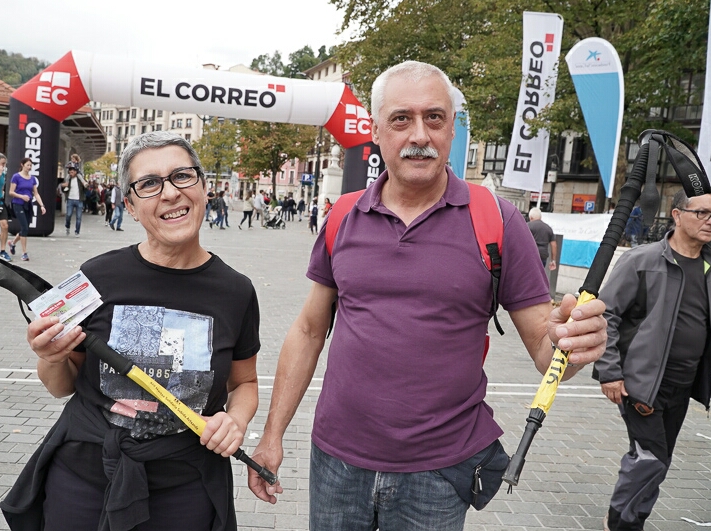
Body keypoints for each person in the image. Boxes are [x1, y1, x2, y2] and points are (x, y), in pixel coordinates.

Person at [246, 60, 607, 530]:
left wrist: (574, 345)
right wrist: (272, 435)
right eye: (401, 119)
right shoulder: (343, 216)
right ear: (376, 130)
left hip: (438, 472)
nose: (420, 134)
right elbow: (309, 330)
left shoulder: (496, 220)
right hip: (336, 461)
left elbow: (546, 351)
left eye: (434, 117)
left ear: (452, 128)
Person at [0, 131, 261, 531]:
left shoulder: (236, 291)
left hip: (185, 486)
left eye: (182, 176)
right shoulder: (95, 276)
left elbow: (245, 383)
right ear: (131, 207)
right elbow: (61, 384)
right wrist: (49, 357)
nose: (170, 193)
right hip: (83, 478)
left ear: (205, 189)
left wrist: (236, 421)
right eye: (149, 184)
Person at [594, 190, 711, 531]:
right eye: (703, 213)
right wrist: (609, 372)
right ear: (677, 214)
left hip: (683, 386)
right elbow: (604, 315)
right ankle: (621, 523)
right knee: (648, 458)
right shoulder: (642, 260)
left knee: (660, 461)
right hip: (642, 384)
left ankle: (630, 516)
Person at [7, 158, 46, 262]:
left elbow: (36, 193)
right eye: (28, 165)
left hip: (28, 205)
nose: (29, 167)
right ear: (22, 165)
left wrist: (42, 205)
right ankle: (24, 253)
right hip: (18, 204)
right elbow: (11, 192)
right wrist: (21, 196)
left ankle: (12, 243)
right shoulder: (16, 177)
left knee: (25, 228)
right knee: (24, 227)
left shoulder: (32, 179)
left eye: (30, 165)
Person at [61, 162, 86, 236]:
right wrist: (63, 186)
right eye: (70, 172)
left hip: (79, 200)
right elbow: (64, 188)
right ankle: (67, 227)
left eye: (72, 172)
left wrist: (85, 185)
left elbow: (85, 188)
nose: (71, 173)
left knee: (79, 217)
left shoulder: (79, 179)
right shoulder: (68, 179)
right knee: (68, 215)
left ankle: (77, 231)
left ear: (75, 172)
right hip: (70, 199)